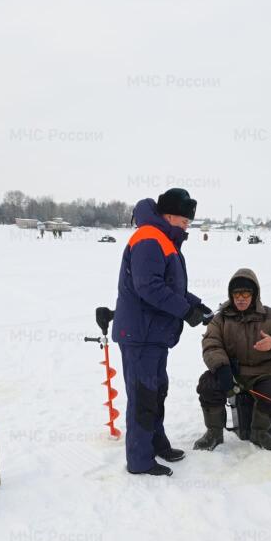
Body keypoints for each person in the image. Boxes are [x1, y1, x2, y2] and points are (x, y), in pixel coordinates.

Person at [112, 188, 211, 477]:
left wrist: (196, 305)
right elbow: (149, 287)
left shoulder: (163, 240)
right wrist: (186, 312)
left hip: (153, 336)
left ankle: (156, 443)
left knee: (155, 393)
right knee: (143, 396)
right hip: (140, 335)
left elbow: (171, 286)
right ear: (169, 216)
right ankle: (140, 460)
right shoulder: (148, 238)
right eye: (184, 220)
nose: (187, 226)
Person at [193, 268, 271, 451]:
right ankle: (214, 433)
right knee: (208, 384)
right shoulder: (220, 319)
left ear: (254, 294)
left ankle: (260, 433)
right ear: (231, 295)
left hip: (263, 373)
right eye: (237, 294)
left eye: (246, 293)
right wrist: (222, 367)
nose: (241, 298)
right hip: (232, 372)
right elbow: (211, 343)